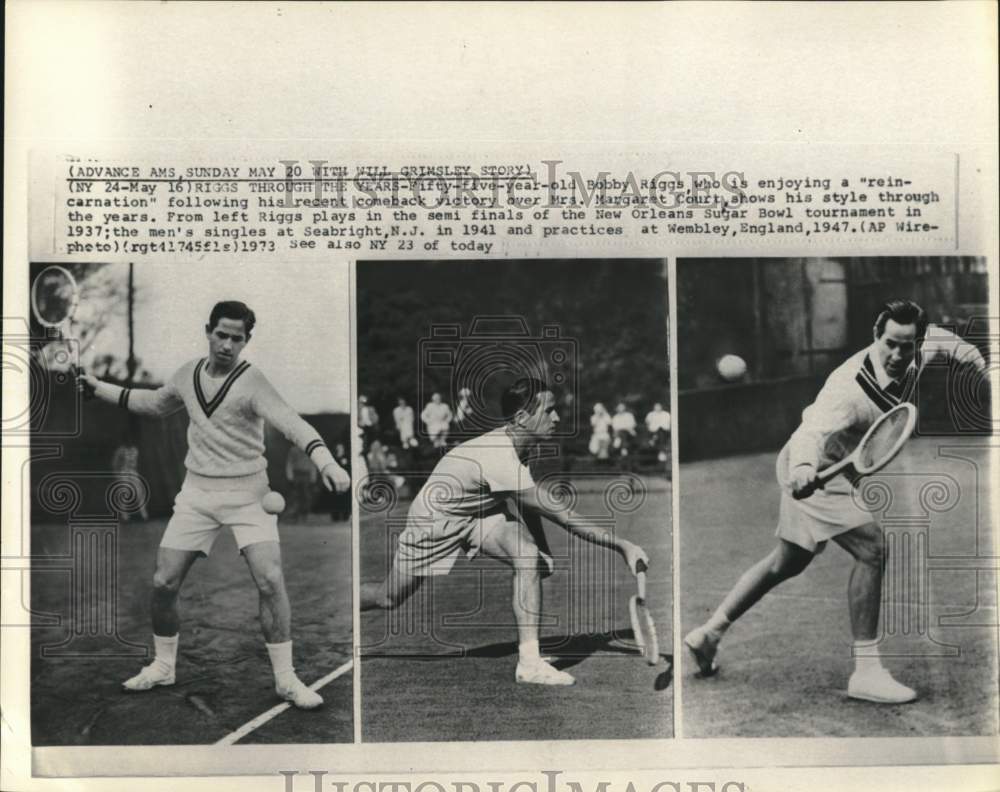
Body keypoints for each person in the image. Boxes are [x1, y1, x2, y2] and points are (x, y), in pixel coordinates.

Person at [683, 299, 988, 704]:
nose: (898, 355)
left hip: (837, 474)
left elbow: (948, 342)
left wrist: (979, 366)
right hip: (812, 472)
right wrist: (805, 469)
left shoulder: (920, 346)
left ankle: (709, 633)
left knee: (786, 562)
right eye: (890, 344)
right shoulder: (846, 388)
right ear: (875, 338)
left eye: (907, 346)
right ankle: (866, 672)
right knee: (874, 549)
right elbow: (811, 430)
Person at [78, 301, 351, 709]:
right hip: (197, 494)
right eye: (221, 335)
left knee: (270, 580)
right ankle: (163, 666)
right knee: (163, 583)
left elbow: (292, 423)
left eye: (236, 338)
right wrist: (99, 388)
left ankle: (286, 680)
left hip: (250, 495)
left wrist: (326, 461)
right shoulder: (187, 374)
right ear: (208, 331)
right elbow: (154, 404)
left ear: (246, 341)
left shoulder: (253, 381)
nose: (226, 344)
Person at [360, 377, 649, 685]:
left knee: (527, 556)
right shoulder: (500, 457)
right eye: (549, 411)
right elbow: (562, 514)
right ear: (522, 418)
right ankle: (347, 602)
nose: (557, 418)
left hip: (478, 509)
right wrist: (623, 545)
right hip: (435, 519)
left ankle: (529, 662)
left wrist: (541, 550)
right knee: (388, 598)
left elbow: (526, 503)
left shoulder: (523, 444)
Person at [111, 432, 149, 521]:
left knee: (139, 493)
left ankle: (144, 516)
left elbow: (137, 462)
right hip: (123, 473)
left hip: (133, 472)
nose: (129, 441)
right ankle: (125, 517)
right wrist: (117, 474)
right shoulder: (120, 450)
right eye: (127, 440)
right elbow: (115, 463)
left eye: (131, 440)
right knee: (124, 494)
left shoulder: (135, 449)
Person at [285, 444, 318, 520]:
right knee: (295, 495)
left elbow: (312, 463)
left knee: (306, 495)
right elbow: (290, 462)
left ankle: (304, 514)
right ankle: (295, 515)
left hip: (307, 475)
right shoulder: (294, 450)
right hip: (297, 474)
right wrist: (290, 476)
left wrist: (313, 477)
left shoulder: (310, 450)